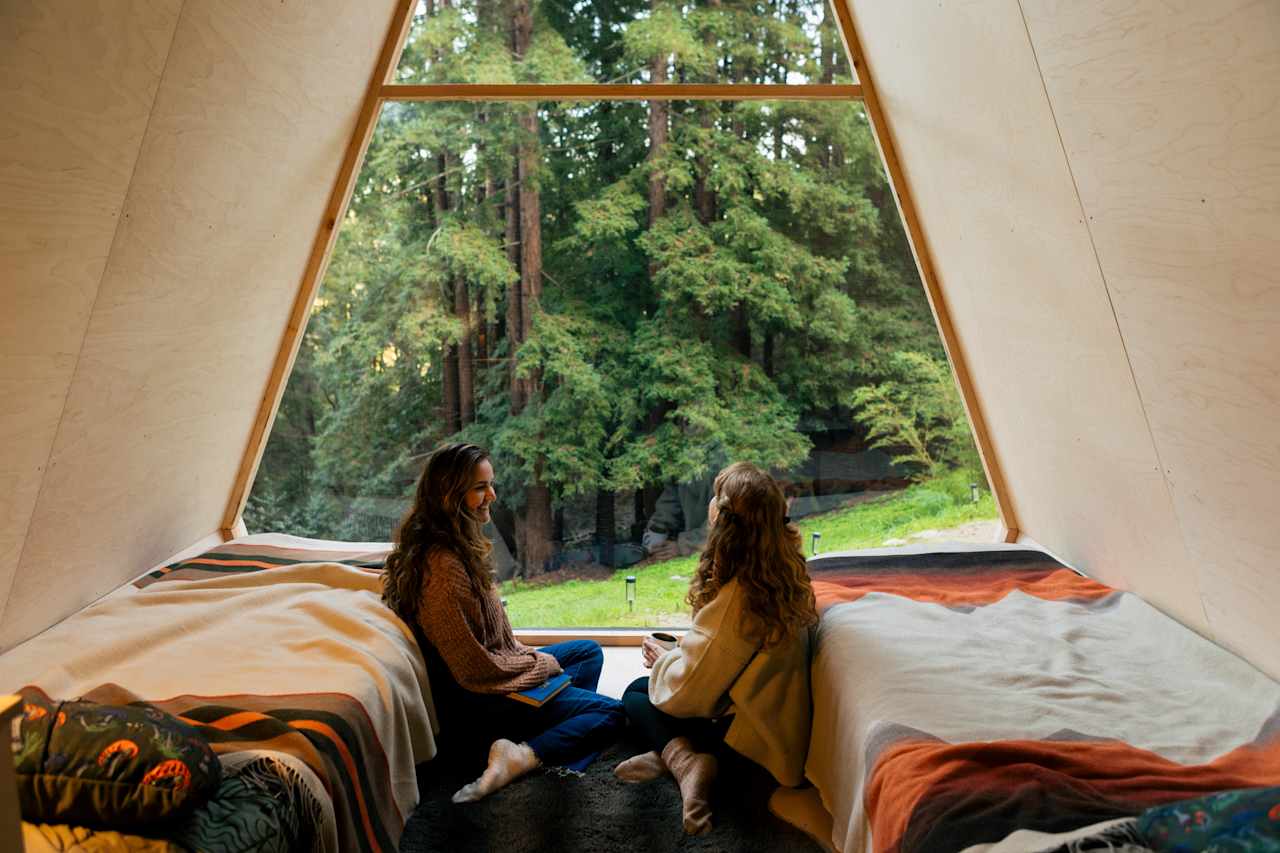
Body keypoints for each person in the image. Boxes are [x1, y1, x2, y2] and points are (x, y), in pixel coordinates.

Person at [382, 443, 626, 802]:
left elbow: (496, 646)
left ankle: (561, 747)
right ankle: (524, 753)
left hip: (495, 679)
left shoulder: (455, 545)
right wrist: (538, 664)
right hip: (481, 706)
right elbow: (474, 670)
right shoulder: (443, 568)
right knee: (613, 712)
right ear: (449, 495)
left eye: (490, 485)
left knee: (587, 653)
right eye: (480, 488)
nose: (491, 495)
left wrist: (532, 660)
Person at [614, 461, 818, 835]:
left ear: (723, 518)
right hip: (775, 735)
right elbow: (726, 664)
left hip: (750, 754)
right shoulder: (782, 572)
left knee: (637, 695)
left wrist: (664, 661)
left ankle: (686, 763)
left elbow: (690, 695)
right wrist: (682, 653)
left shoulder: (738, 600)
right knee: (654, 688)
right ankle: (677, 757)